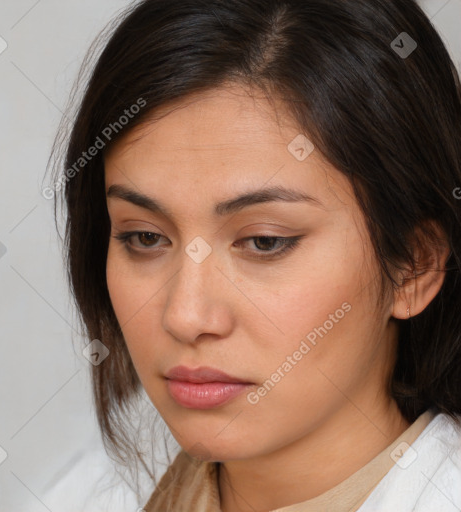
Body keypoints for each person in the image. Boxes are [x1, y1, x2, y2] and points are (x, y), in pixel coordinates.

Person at [48, 0, 461, 510]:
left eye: (265, 241)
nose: (185, 316)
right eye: (145, 237)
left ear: (414, 266)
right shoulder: (79, 497)